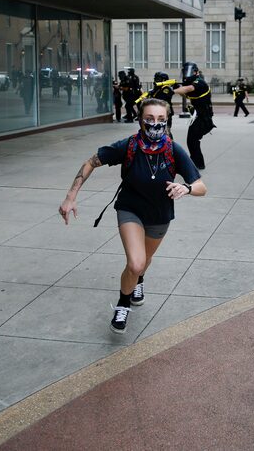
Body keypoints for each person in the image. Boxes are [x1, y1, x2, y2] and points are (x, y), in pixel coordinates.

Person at [58, 99, 206, 334]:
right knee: (135, 263)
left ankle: (139, 281)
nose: (154, 124)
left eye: (160, 120)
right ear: (140, 120)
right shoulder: (129, 146)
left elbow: (201, 186)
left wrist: (186, 188)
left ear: (167, 122)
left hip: (159, 216)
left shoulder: (173, 150)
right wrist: (71, 195)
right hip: (130, 210)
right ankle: (123, 304)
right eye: (149, 119)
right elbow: (90, 162)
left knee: (144, 262)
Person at [175, 62, 213, 170]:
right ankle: (196, 162)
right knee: (192, 140)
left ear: (196, 72)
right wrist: (177, 88)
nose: (187, 74)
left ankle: (198, 163)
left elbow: (188, 89)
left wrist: (171, 91)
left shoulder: (199, 82)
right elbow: (185, 93)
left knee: (192, 140)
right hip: (199, 117)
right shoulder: (192, 84)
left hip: (204, 119)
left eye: (190, 71)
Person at [145, 72, 177, 137]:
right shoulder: (157, 89)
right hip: (156, 112)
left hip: (165, 113)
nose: (156, 80)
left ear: (164, 80)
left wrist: (152, 96)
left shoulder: (166, 88)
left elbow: (160, 99)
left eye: (158, 78)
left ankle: (170, 144)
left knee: (165, 131)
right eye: (155, 78)